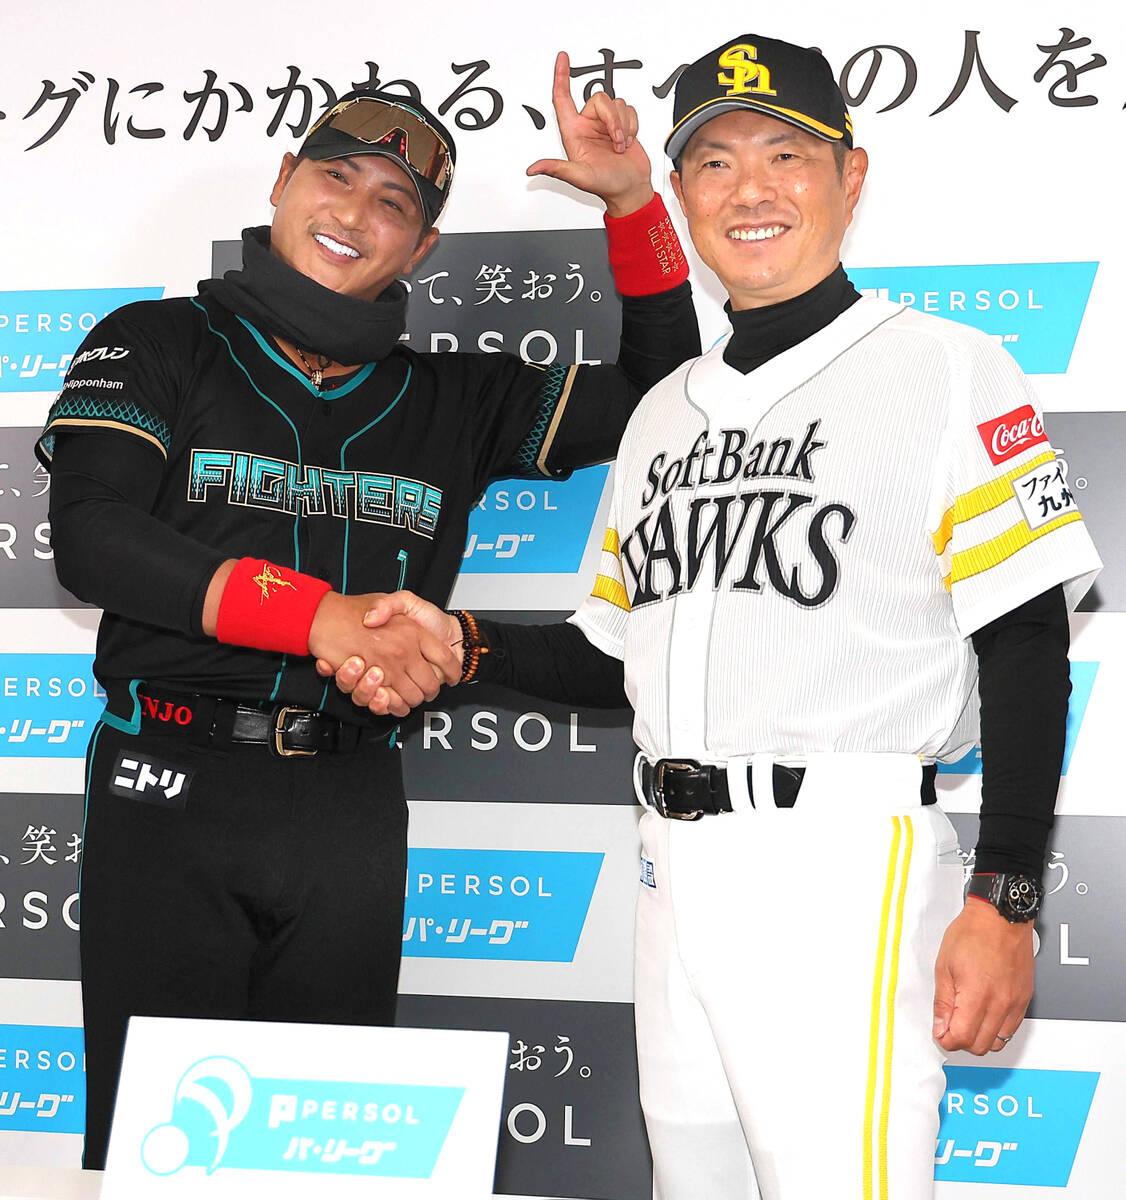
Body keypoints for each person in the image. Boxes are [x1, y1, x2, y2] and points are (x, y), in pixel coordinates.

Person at [327, 33, 1102, 1200]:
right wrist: (460, 644)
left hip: (840, 859)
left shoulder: (948, 367)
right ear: (682, 193)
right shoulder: (663, 417)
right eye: (714, 162)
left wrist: (1006, 898)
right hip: (667, 861)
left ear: (851, 178)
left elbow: (1026, 642)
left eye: (786, 155)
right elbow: (611, 656)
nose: (750, 189)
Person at [36, 53, 700, 1170]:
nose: (355, 212)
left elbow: (661, 395)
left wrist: (634, 204)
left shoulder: (455, 395)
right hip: (170, 788)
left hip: (349, 801)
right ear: (285, 180)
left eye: (394, 204)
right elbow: (93, 536)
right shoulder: (157, 340)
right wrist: (318, 619)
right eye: (334, 178)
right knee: (158, 1164)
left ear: (422, 247)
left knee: (324, 1164)